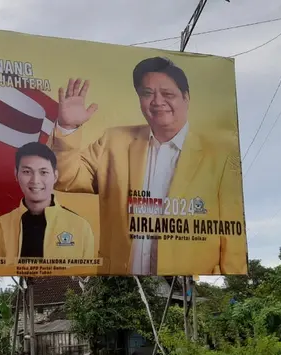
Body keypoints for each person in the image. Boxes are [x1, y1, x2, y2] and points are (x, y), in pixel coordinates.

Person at [46, 56, 246, 275]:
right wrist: (67, 128)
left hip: (184, 286)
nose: (157, 101)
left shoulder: (219, 155)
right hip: (119, 285)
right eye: (147, 94)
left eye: (168, 94)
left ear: (186, 98)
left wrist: (227, 281)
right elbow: (66, 177)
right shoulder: (114, 141)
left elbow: (231, 232)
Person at [0, 142, 95, 263]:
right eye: (27, 172)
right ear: (16, 174)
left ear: (55, 176)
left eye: (43, 172)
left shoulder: (80, 228)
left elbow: (86, 278)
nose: (35, 181)